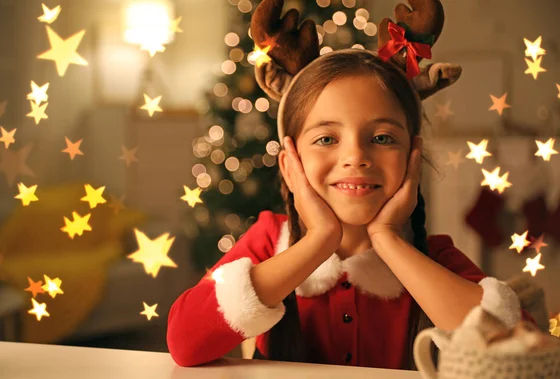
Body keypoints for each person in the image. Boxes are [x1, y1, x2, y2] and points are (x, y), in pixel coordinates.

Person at [167, 0, 536, 370]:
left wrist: (389, 240)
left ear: (413, 156)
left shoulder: (432, 257)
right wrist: (317, 241)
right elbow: (184, 343)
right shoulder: (269, 242)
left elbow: (524, 352)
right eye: (327, 139)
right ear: (289, 163)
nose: (356, 157)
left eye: (382, 138)